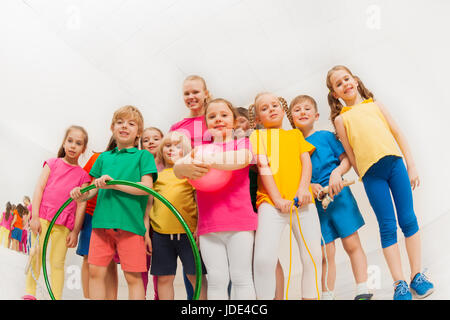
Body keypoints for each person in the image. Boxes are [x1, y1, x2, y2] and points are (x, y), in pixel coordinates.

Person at [327, 65, 434, 300]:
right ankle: (399, 283)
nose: (345, 84)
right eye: (338, 84)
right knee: (387, 226)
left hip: (396, 167)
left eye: (347, 79)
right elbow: (350, 153)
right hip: (372, 176)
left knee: (408, 218)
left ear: (355, 80)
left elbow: (398, 133)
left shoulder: (376, 105)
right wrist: (363, 175)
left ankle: (417, 275)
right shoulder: (341, 120)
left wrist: (411, 165)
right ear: (335, 94)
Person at [71, 105, 157, 300]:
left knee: (133, 277)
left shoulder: (143, 156)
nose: (124, 126)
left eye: (131, 123)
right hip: (101, 225)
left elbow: (147, 188)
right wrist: (81, 194)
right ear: (112, 127)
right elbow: (92, 189)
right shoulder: (103, 158)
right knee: (95, 272)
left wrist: (114, 185)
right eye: (120, 122)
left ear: (139, 132)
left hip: (131, 226)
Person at [291, 94, 372, 300]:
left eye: (307, 109)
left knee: (352, 244)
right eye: (297, 110)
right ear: (291, 118)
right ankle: (327, 295)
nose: (302, 112)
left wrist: (337, 173)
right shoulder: (292, 146)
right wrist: (309, 185)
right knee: (326, 254)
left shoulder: (326, 136)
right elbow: (293, 177)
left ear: (316, 115)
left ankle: (363, 288)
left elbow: (345, 161)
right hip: (315, 207)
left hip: (340, 197)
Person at [174, 98, 257, 300]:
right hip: (209, 226)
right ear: (206, 123)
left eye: (224, 115)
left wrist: (210, 160)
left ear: (235, 121)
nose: (218, 119)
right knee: (217, 280)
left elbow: (242, 159)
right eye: (212, 116)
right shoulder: (200, 150)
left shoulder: (241, 143)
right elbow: (177, 169)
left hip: (240, 223)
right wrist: (181, 167)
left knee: (241, 277)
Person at [249, 92, 322, 300]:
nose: (271, 109)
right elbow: (263, 167)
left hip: (303, 202)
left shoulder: (295, 135)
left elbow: (306, 164)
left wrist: (303, 189)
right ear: (257, 119)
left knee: (313, 256)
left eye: (275, 105)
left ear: (283, 111)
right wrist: (277, 199)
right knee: (263, 259)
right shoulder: (257, 136)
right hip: (270, 204)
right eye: (264, 108)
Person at [24, 125, 91, 300]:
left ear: (83, 149)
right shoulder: (52, 163)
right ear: (64, 142)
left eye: (78, 143)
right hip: (42, 217)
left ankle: (56, 297)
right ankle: (30, 293)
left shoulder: (83, 176)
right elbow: (39, 188)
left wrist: (76, 231)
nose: (73, 146)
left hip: (63, 223)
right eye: (70, 141)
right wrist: (35, 216)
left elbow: (81, 204)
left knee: (57, 263)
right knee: (36, 255)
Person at [149, 131, 207, 300]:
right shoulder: (156, 177)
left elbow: (199, 202)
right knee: (164, 278)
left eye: (177, 146)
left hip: (188, 235)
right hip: (161, 236)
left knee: (195, 276)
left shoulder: (189, 175)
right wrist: (147, 233)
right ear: (161, 151)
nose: (171, 149)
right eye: (167, 146)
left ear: (186, 151)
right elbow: (149, 205)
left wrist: (199, 227)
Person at [234, 106, 285, 300]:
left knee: (268, 255)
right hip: (240, 206)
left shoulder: (256, 142)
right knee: (253, 257)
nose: (236, 126)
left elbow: (267, 168)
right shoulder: (231, 147)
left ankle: (279, 297)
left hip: (258, 202)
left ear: (252, 123)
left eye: (241, 121)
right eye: (234, 123)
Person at [170, 75, 212, 299]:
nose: (191, 97)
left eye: (196, 92)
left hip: (214, 195)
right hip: (188, 196)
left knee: (216, 262)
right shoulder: (177, 127)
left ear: (206, 93)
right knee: (192, 259)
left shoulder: (216, 117)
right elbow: (173, 161)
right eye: (187, 93)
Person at [76, 138, 119, 300]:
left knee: (110, 261)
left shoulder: (132, 160)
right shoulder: (98, 158)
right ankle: (89, 297)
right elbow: (85, 185)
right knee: (88, 257)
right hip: (92, 214)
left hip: (113, 218)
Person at [140, 126, 165, 299]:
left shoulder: (169, 165)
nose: (151, 142)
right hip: (144, 221)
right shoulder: (140, 165)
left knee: (161, 270)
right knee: (141, 267)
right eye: (146, 140)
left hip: (163, 223)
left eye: (155, 138)